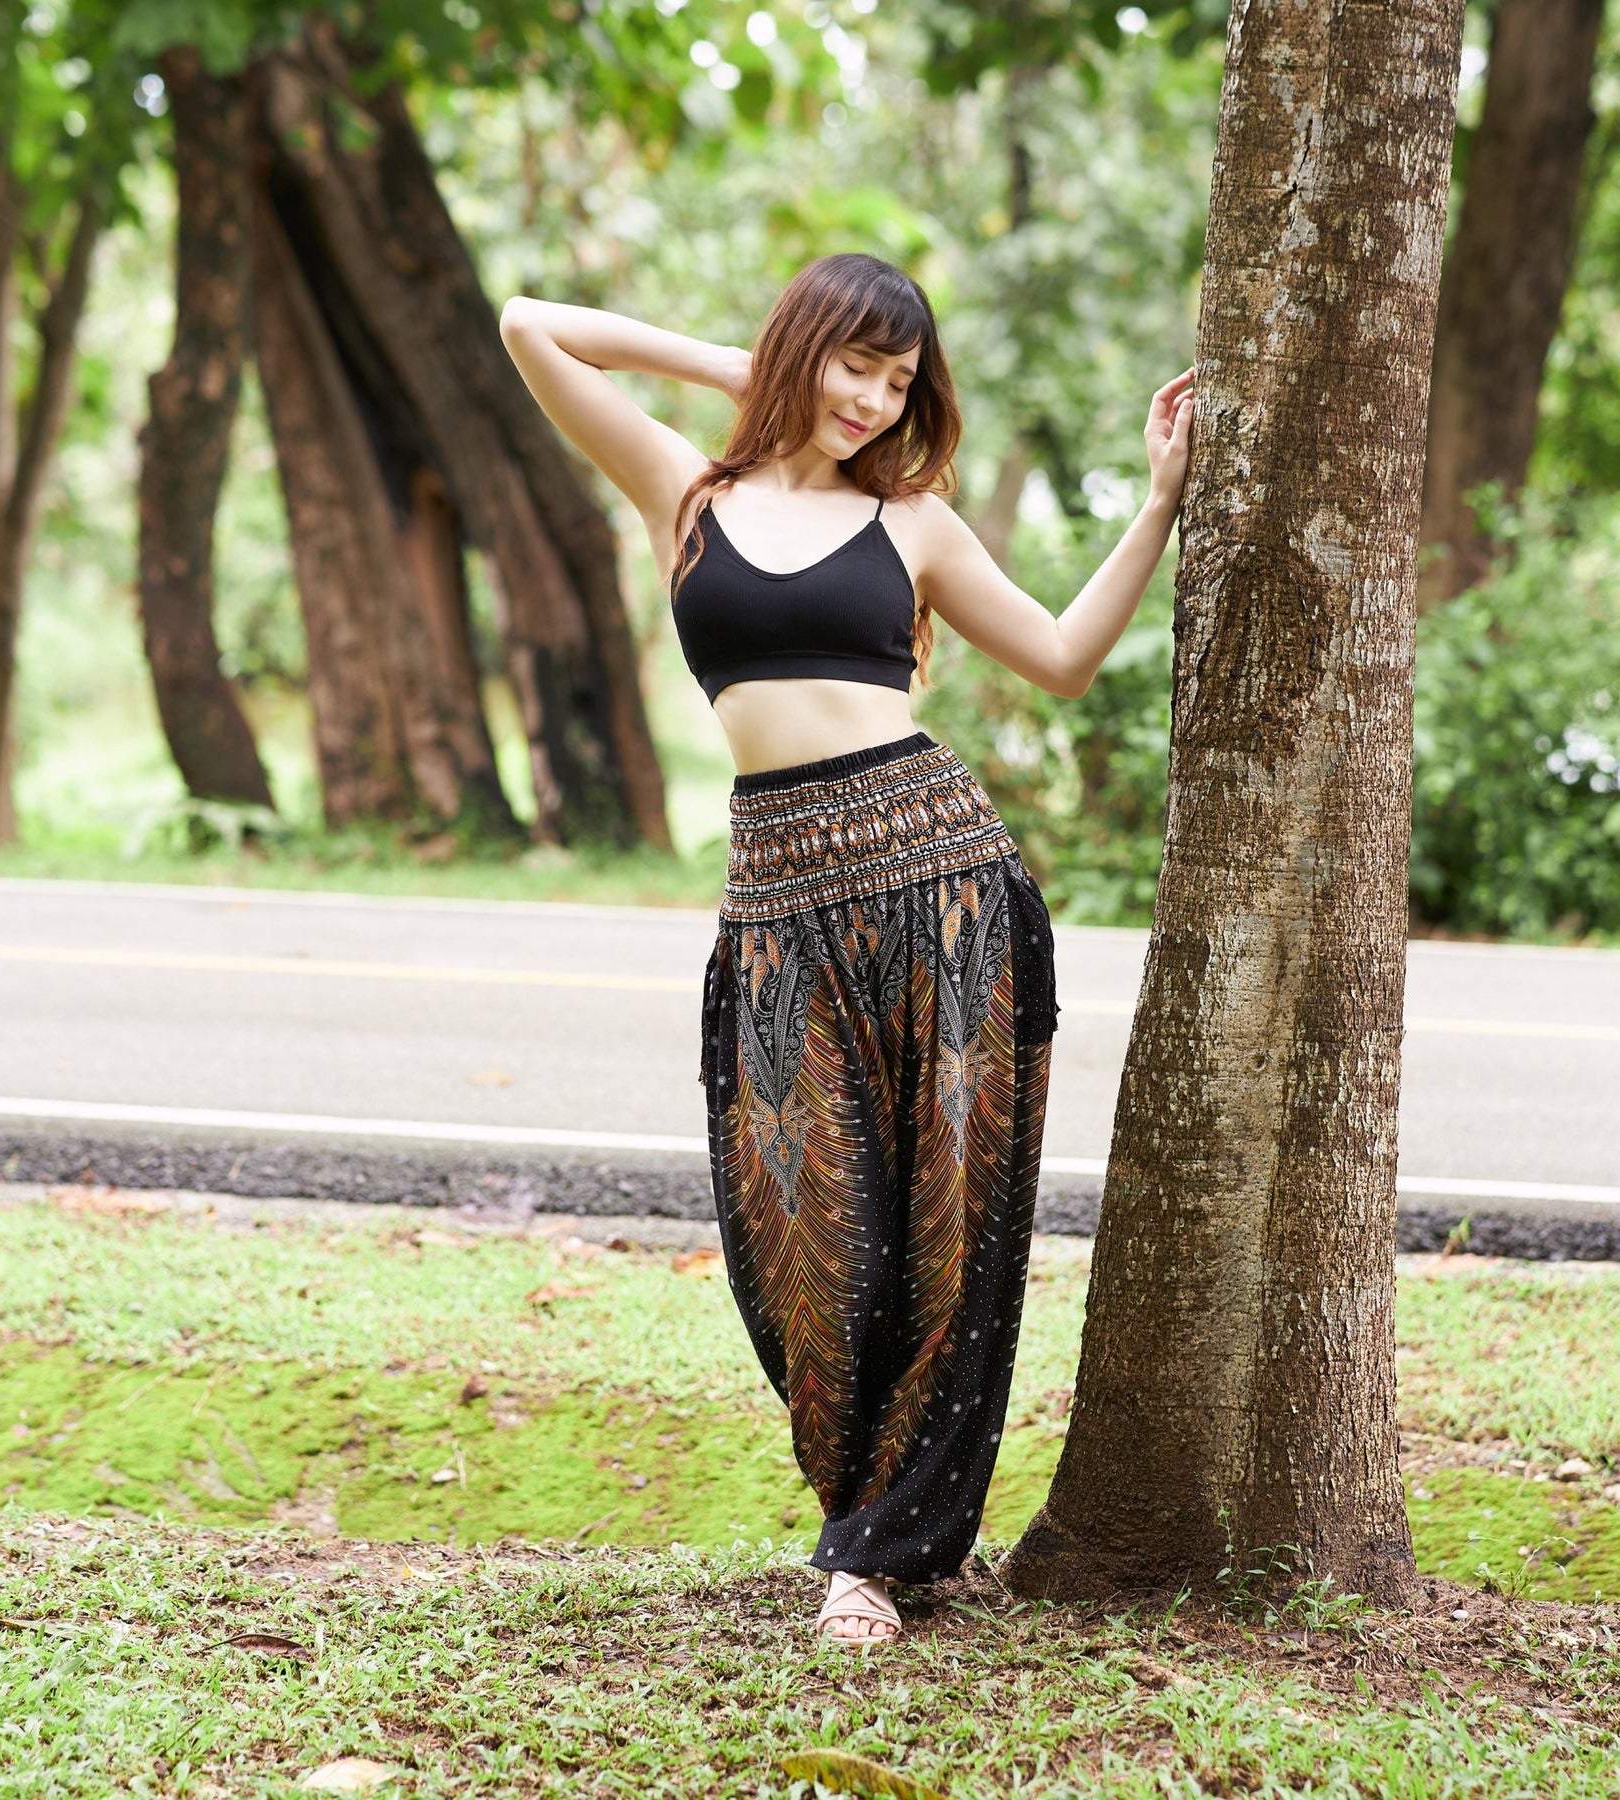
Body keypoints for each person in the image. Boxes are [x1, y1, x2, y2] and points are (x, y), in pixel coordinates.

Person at [500, 252, 1192, 1645]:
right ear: (799, 346)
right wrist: (738, 371)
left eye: (898, 380)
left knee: (951, 1240)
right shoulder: (686, 494)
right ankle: (865, 1518)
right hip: (776, 905)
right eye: (853, 366)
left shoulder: (913, 523)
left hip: (943, 885)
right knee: (802, 1240)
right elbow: (532, 327)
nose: (874, 401)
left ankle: (871, 1559)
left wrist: (1160, 505)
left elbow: (1061, 657)